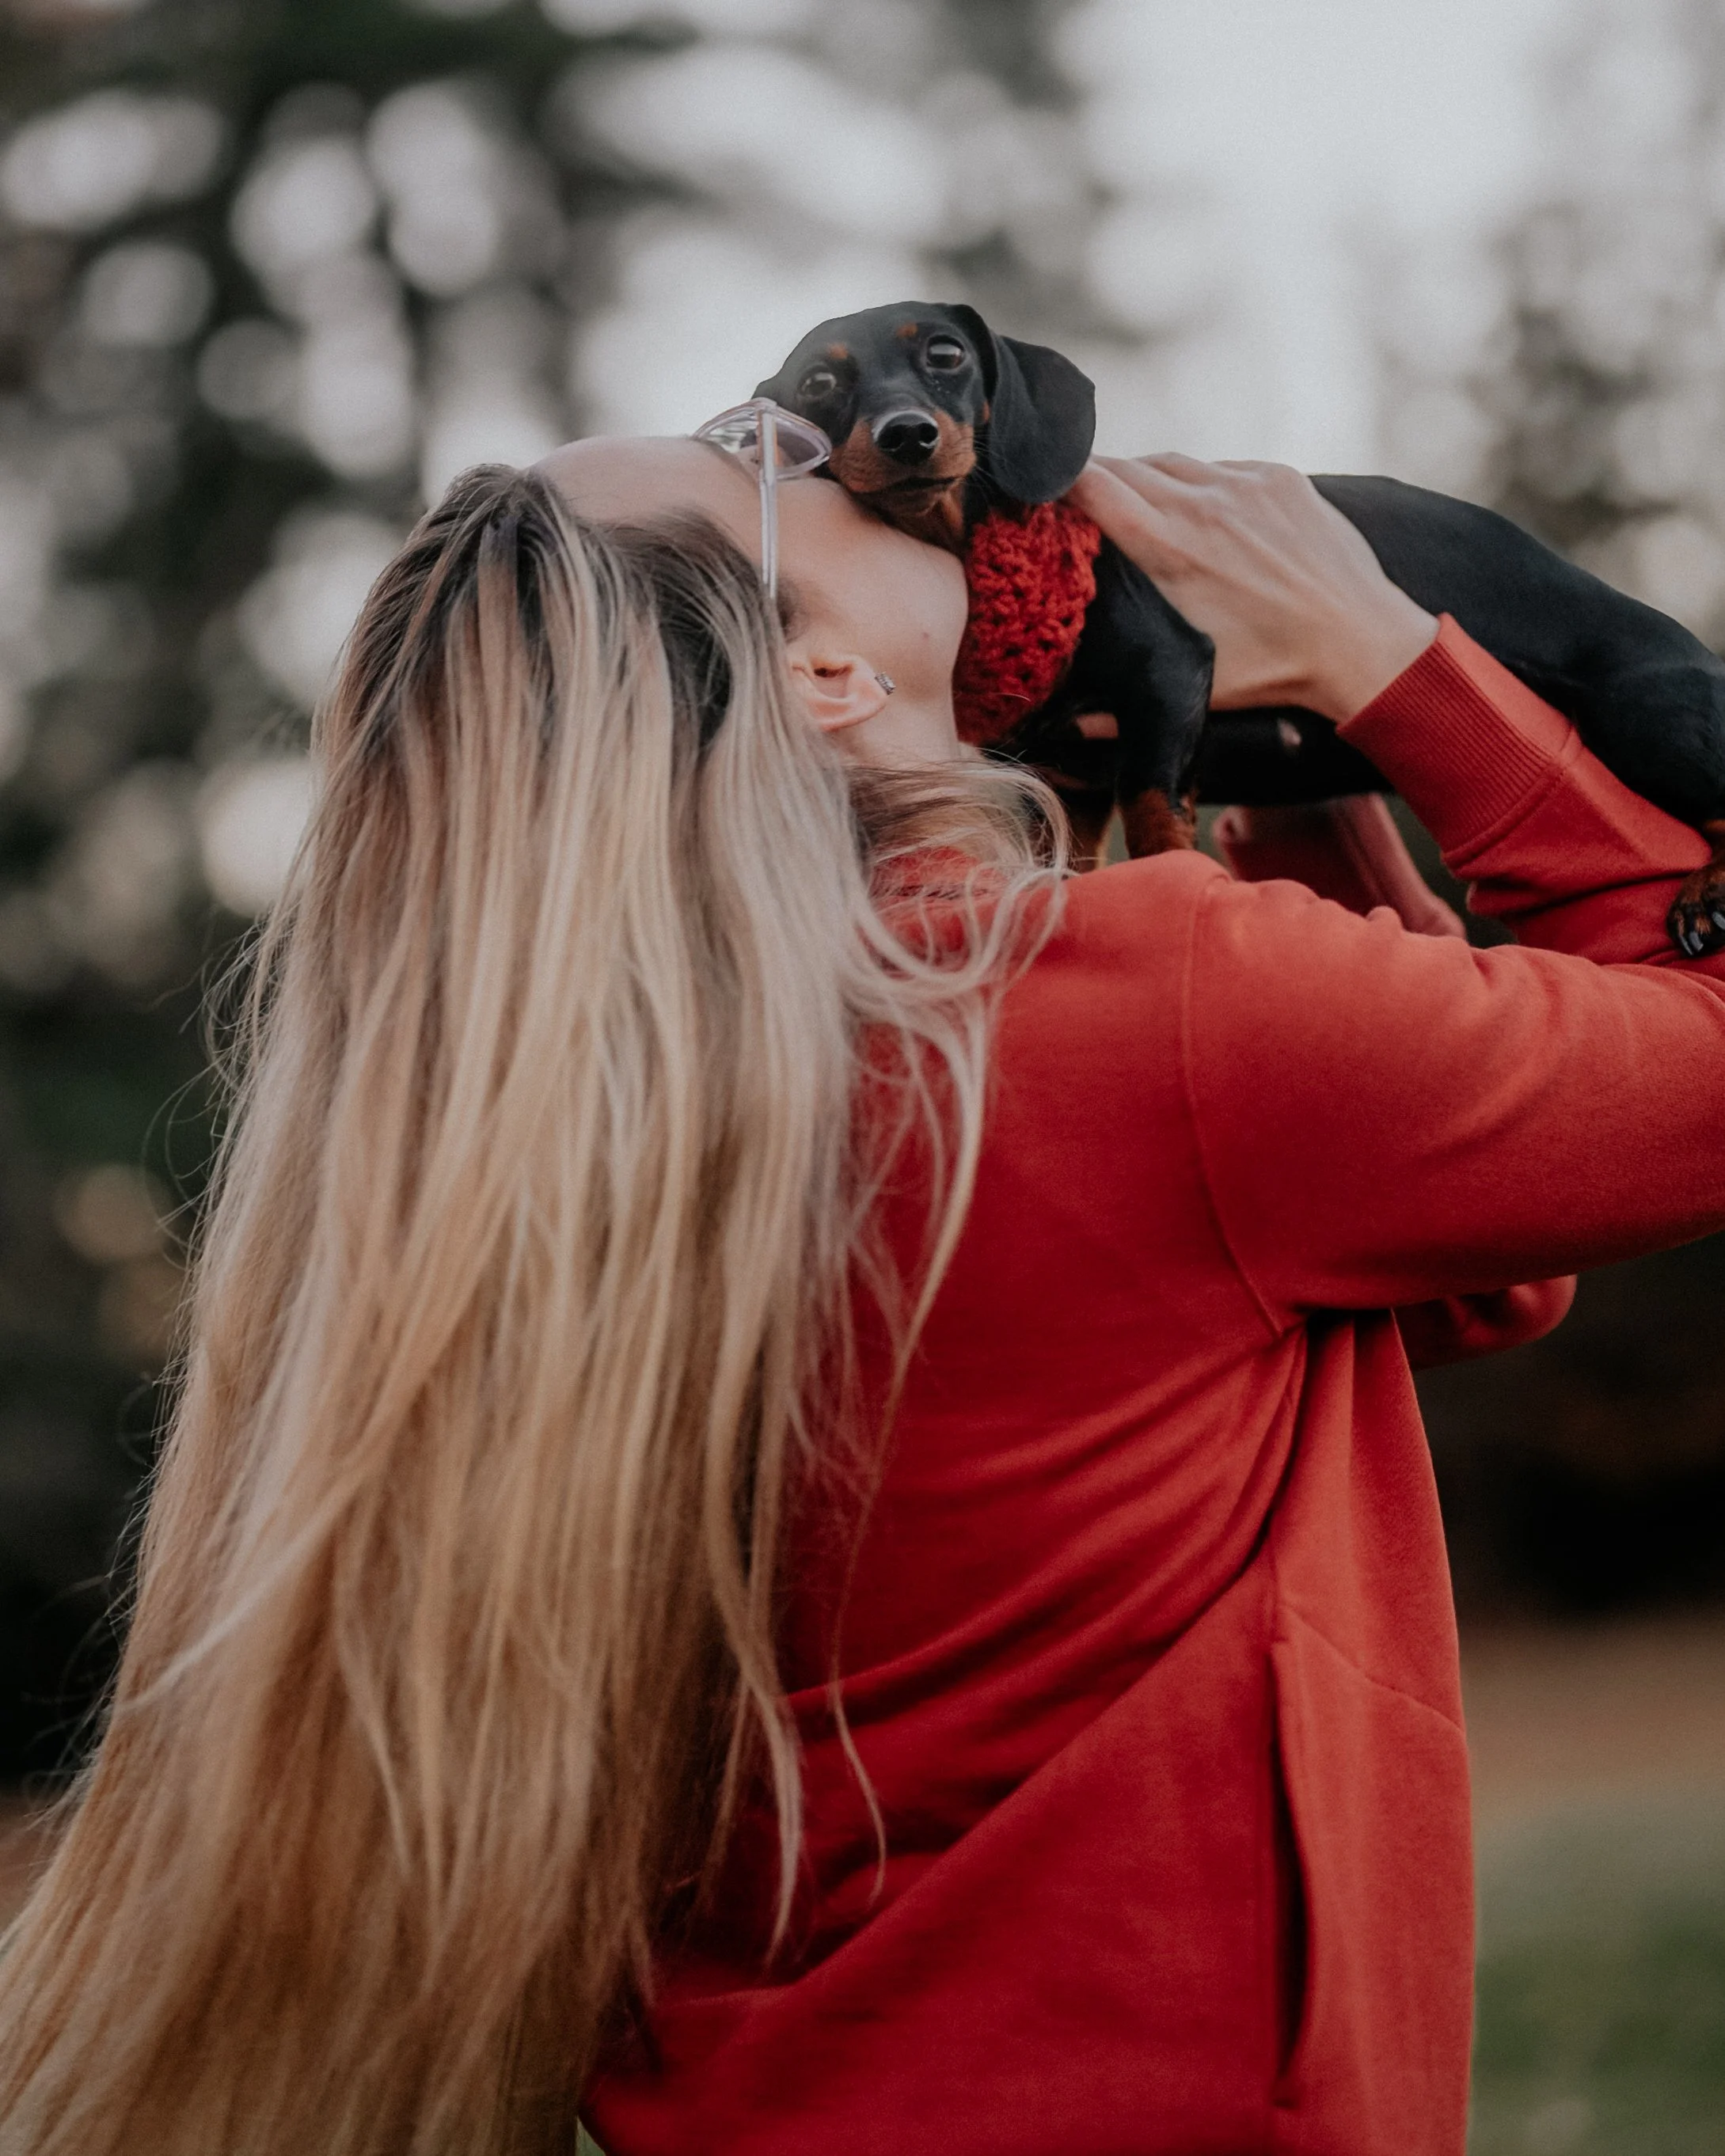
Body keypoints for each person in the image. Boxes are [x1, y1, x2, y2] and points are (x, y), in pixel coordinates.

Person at [0, 431, 1721, 2156]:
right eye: (760, 454)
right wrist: (1390, 665)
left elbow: (1468, 1269)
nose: (836, 445)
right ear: (823, 670)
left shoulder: (637, 1154)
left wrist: (1296, 801)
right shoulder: (1137, 1013)